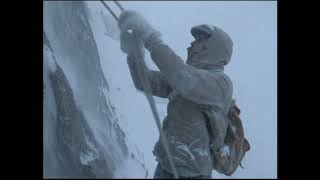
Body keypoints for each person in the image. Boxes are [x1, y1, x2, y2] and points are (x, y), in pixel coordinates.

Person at [118, 10, 234, 179]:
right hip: (166, 166)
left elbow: (182, 77)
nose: (192, 44)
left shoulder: (220, 83)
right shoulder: (188, 77)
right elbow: (146, 82)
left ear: (212, 48)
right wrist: (134, 54)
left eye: (199, 40)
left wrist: (151, 37)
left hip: (193, 174)